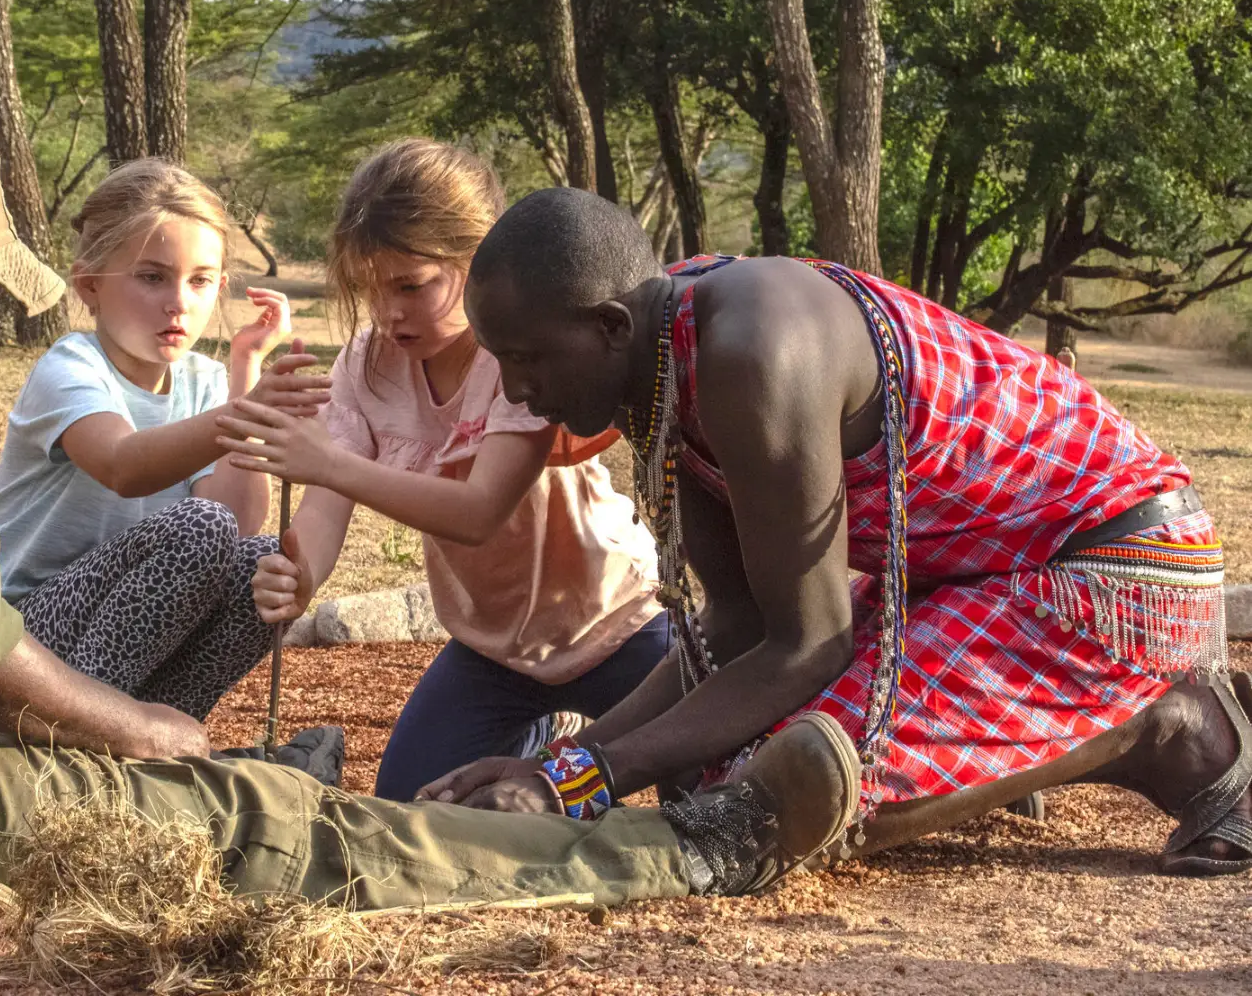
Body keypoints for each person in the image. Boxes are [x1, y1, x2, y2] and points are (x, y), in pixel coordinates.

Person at [0, 116, 867, 931]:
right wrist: (145, 737)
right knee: (244, 831)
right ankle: (682, 855)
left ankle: (570, 794)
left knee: (191, 773)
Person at [430, 186, 1251, 876]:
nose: (515, 389)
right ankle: (1011, 731)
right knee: (701, 769)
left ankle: (1162, 722)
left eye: (527, 358)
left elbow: (807, 644)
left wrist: (580, 780)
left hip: (1115, 570)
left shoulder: (752, 352)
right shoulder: (658, 354)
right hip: (968, 575)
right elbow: (737, 628)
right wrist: (561, 769)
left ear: (609, 325)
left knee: (763, 805)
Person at [215, 141, 668, 800]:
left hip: (616, 623)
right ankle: (537, 735)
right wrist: (301, 575)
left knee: (704, 783)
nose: (389, 311)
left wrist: (332, 463)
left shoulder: (516, 357)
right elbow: (324, 506)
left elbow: (479, 513)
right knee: (409, 804)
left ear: (479, 261)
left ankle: (554, 753)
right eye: (371, 288)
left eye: (410, 285)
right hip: (493, 652)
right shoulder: (366, 366)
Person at [0, 159, 325, 726]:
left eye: (199, 281)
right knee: (200, 528)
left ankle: (156, 735)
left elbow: (240, 518)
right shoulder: (70, 368)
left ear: (221, 286)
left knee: (258, 562)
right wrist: (247, 412)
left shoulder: (204, 381)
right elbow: (123, 466)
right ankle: (79, 733)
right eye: (151, 277)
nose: (179, 302)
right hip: (23, 640)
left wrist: (244, 366)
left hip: (114, 644)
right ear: (90, 285)